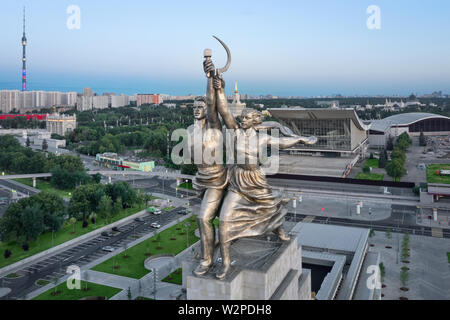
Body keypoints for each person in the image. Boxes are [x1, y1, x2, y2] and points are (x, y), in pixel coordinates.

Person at [213, 74, 317, 279]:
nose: (241, 120)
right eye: (241, 117)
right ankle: (225, 263)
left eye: (246, 118)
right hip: (238, 179)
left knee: (269, 207)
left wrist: (302, 139)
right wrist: (220, 90)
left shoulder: (263, 138)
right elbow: (224, 111)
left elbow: (283, 143)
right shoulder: (235, 131)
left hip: (255, 178)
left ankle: (279, 232)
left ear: (255, 121)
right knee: (224, 220)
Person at [189, 59, 229, 276]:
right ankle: (210, 249)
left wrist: (209, 78)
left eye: (200, 107)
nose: (197, 110)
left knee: (204, 218)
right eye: (194, 107)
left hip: (216, 180)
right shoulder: (190, 129)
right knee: (210, 219)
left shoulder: (214, 126)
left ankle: (207, 261)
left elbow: (214, 106)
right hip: (200, 180)